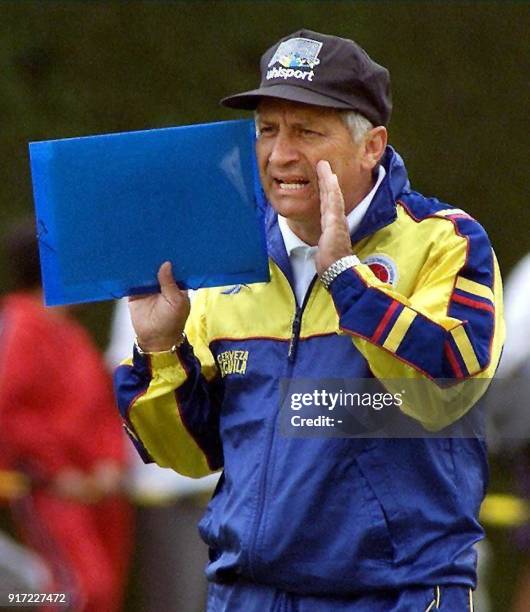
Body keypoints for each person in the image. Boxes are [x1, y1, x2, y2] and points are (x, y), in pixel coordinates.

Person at [114, 30, 504, 611]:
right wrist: (160, 347)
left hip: (396, 594)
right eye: (267, 130)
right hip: (246, 594)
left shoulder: (446, 239)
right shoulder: (225, 256)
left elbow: (448, 386)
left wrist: (348, 280)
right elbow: (189, 456)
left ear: (372, 146)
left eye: (306, 131)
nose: (280, 155)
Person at [0, 222, 133, 612]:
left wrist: (110, 462)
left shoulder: (71, 334)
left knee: (103, 593)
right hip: (52, 491)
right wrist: (53, 472)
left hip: (99, 494)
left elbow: (102, 409)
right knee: (78, 589)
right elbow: (8, 410)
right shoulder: (21, 324)